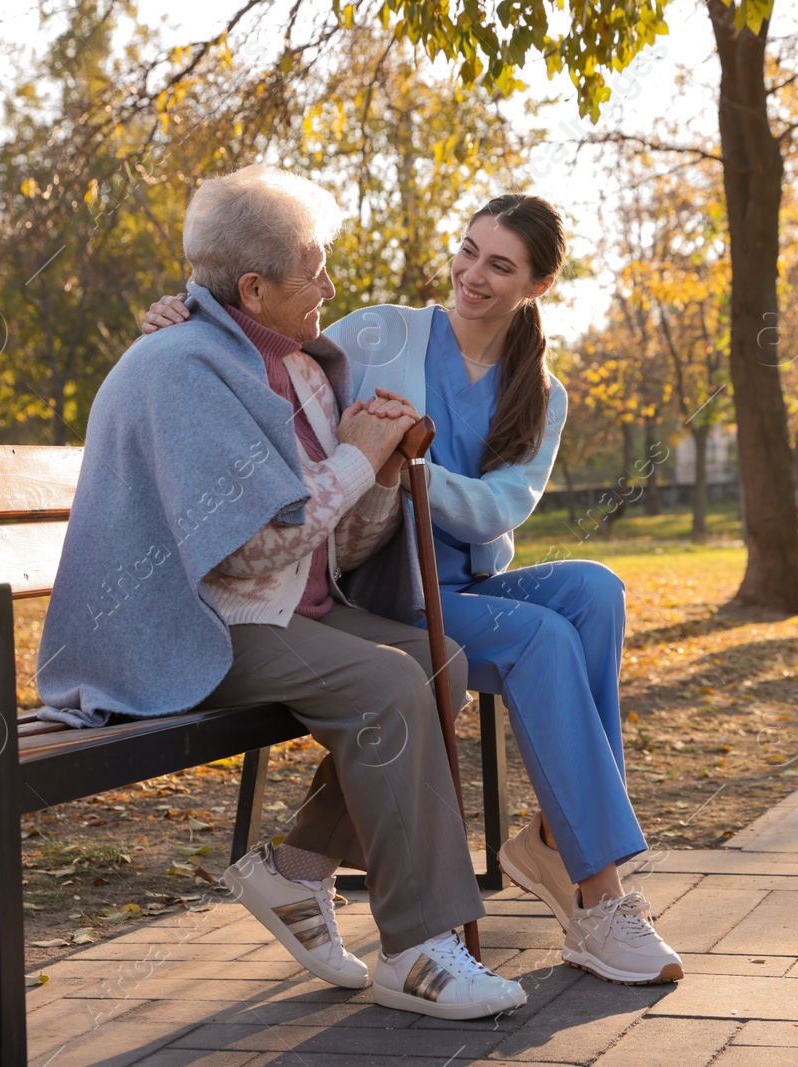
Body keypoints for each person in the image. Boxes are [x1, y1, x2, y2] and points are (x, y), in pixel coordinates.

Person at [142, 193, 684, 985]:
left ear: (535, 286)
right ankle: (598, 896)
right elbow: (275, 355)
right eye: (467, 251)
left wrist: (416, 469)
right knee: (542, 638)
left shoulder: (542, 391)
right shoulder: (381, 330)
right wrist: (187, 317)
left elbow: (503, 507)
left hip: (465, 583)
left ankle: (554, 843)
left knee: (595, 592)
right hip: (380, 583)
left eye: (500, 265)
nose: (471, 273)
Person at [38, 164, 526, 1021]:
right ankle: (417, 951)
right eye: (315, 268)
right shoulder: (181, 368)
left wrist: (379, 466)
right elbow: (248, 551)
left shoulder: (296, 366)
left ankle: (295, 870)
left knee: (440, 657)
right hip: (198, 622)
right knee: (385, 687)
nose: (330, 286)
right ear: (255, 287)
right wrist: (355, 459)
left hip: (288, 602)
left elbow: (341, 539)